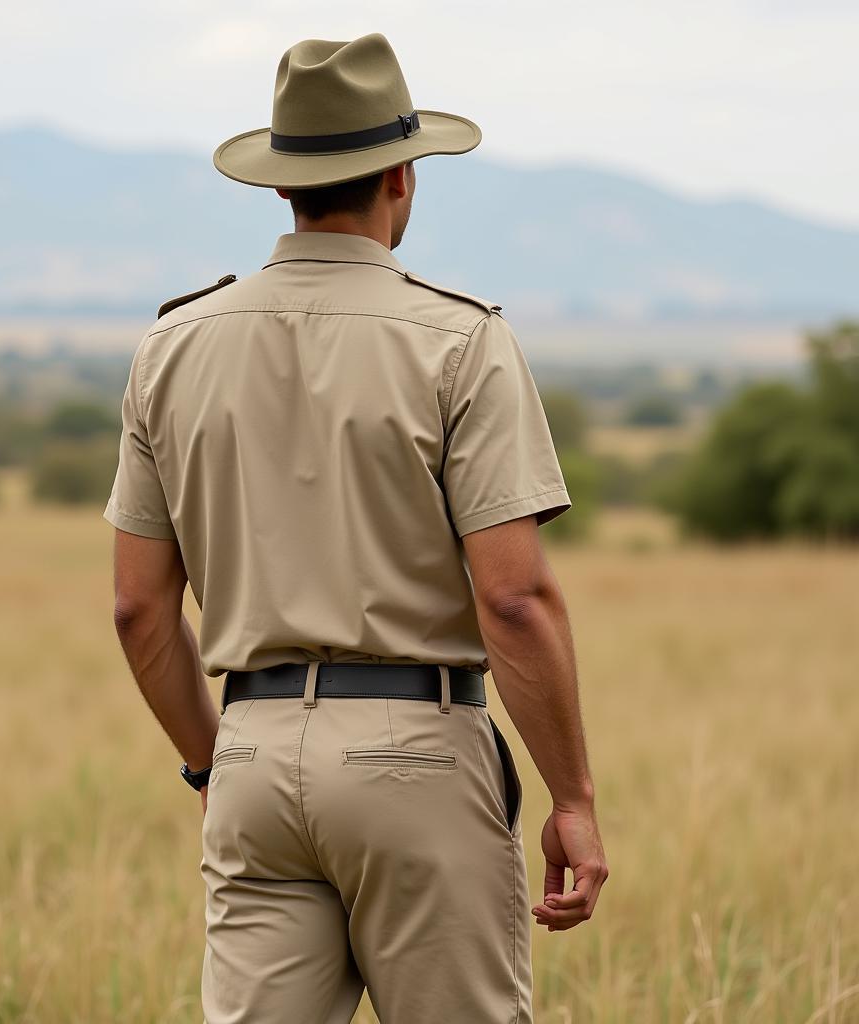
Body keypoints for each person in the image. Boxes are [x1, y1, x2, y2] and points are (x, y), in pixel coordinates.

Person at [105, 31, 607, 1024]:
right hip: (417, 752)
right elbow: (511, 595)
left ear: (281, 185)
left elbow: (136, 608)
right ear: (402, 177)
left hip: (247, 755)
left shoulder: (170, 345)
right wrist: (574, 797)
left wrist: (213, 761)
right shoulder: (461, 340)